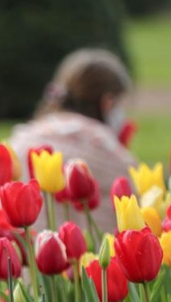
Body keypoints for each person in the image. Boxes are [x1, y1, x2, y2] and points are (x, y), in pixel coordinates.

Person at [8, 48, 137, 233]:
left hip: (23, 256)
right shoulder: (107, 150)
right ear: (108, 102)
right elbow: (133, 220)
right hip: (93, 256)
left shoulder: (20, 140)